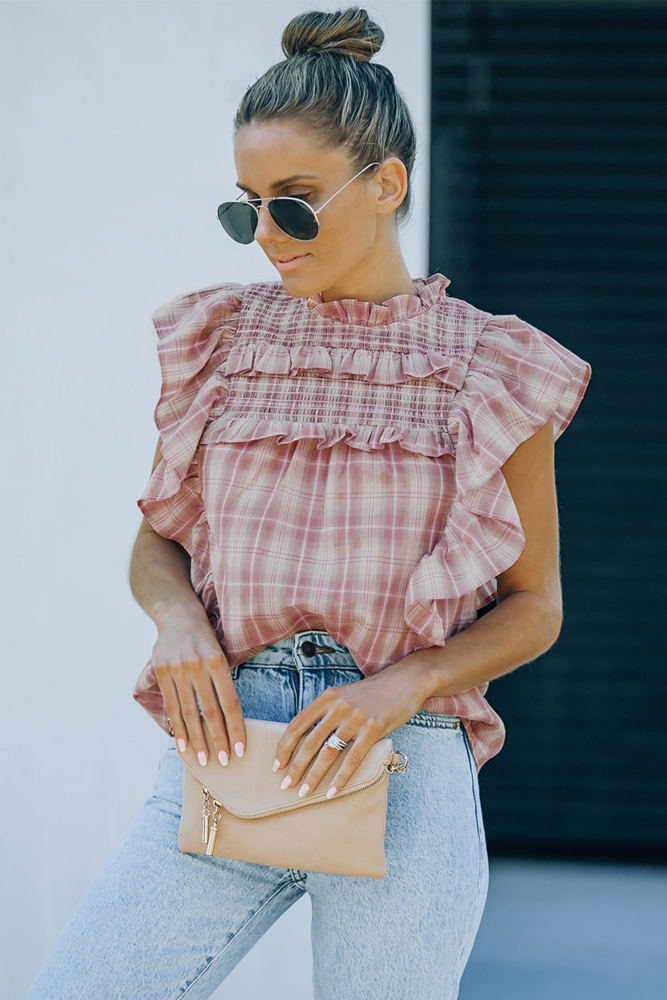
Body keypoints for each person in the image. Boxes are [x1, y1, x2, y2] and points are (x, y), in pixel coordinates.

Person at [27, 7, 591, 999]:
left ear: (386, 184)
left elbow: (535, 606)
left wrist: (404, 685)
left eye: (293, 203)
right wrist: (176, 623)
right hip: (223, 742)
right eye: (246, 207)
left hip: (401, 768)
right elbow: (156, 542)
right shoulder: (225, 341)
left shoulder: (493, 367)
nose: (267, 237)